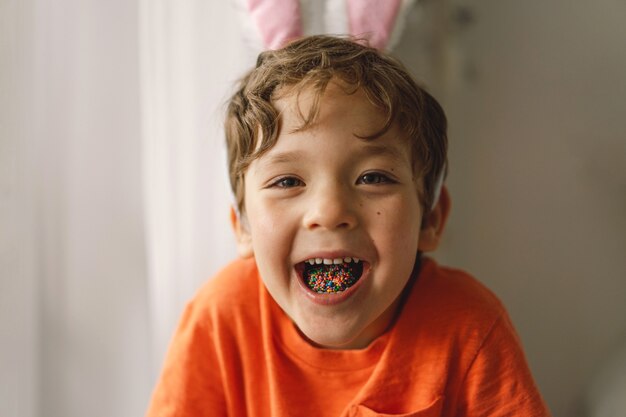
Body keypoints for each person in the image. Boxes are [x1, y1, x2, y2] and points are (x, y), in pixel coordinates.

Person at [146, 35, 550, 416]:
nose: (330, 209)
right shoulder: (220, 318)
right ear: (243, 227)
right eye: (287, 181)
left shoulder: (468, 325)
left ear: (430, 218)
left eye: (373, 177)